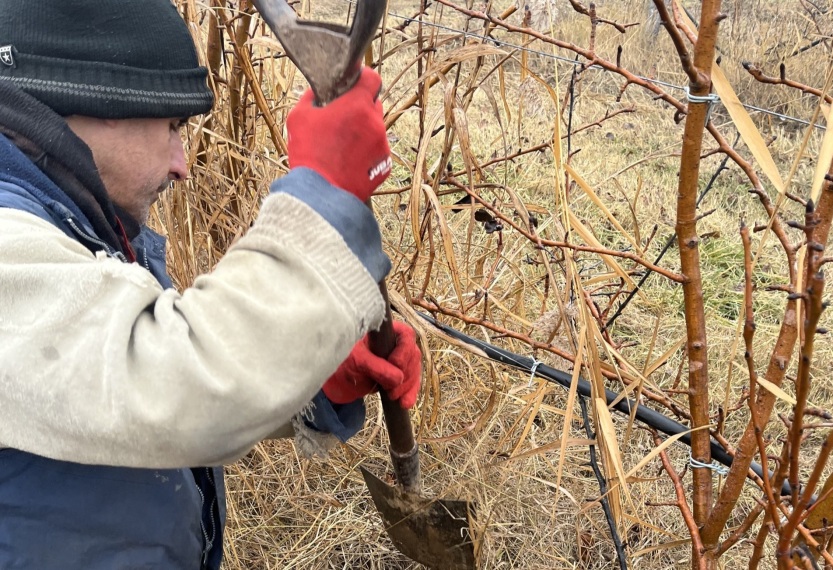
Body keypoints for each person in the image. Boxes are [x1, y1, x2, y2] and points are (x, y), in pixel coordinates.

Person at [0, 1, 421, 568]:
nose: (182, 164)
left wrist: (316, 376)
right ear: (94, 101)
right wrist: (323, 199)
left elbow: (109, 391)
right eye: (172, 127)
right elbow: (167, 384)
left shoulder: (74, 226)